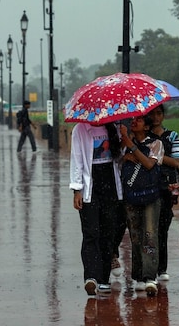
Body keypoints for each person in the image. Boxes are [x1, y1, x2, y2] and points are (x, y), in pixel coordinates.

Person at [70, 122, 122, 296]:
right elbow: (76, 159)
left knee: (108, 232)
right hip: (89, 186)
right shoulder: (80, 129)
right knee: (91, 232)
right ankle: (91, 277)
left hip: (111, 186)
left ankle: (104, 278)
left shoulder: (114, 127)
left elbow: (120, 158)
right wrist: (77, 189)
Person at [119, 115, 164, 296]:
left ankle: (150, 275)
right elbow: (117, 163)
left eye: (139, 120)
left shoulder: (156, 144)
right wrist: (124, 155)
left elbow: (148, 164)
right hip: (131, 196)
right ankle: (137, 275)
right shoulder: (123, 145)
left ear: (146, 126)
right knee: (135, 236)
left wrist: (131, 145)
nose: (134, 122)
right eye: (133, 120)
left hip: (151, 196)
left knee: (150, 234)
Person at [149, 104, 179, 283]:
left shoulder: (172, 136)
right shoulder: (144, 136)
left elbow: (176, 162)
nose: (155, 117)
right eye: (152, 114)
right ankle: (150, 268)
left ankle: (162, 268)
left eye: (159, 113)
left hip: (167, 187)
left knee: (162, 228)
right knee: (149, 229)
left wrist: (156, 157)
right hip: (148, 186)